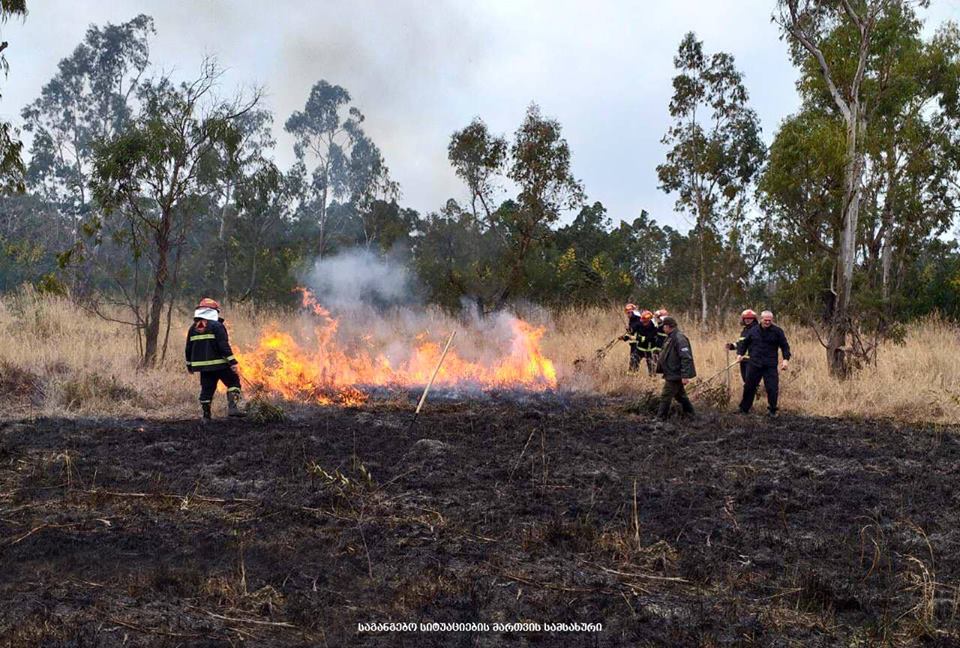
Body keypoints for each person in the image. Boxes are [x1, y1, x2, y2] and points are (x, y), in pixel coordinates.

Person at [185, 297, 246, 421]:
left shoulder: (193, 328)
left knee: (207, 390)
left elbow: (188, 348)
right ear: (213, 311)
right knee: (233, 382)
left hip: (204, 368)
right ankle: (233, 409)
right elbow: (223, 345)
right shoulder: (217, 326)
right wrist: (232, 362)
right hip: (221, 365)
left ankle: (206, 416)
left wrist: (189, 365)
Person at [737, 310, 791, 417]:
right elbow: (744, 343)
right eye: (765, 320)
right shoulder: (753, 331)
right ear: (761, 319)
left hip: (770, 365)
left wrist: (785, 360)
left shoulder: (778, 331)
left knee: (772, 388)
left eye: (769, 320)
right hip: (754, 363)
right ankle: (744, 409)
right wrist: (740, 354)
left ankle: (772, 410)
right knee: (749, 386)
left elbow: (785, 346)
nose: (767, 322)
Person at [654, 316, 697, 418]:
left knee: (666, 395)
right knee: (680, 396)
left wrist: (685, 375)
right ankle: (691, 414)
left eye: (664, 327)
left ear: (668, 326)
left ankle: (660, 418)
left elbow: (686, 358)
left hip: (676, 373)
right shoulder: (670, 337)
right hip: (671, 372)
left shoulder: (679, 338)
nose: (663, 329)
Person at [726, 309, 758, 383]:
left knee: (750, 381)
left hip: (752, 360)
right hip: (743, 360)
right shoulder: (745, 330)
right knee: (746, 380)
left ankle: (754, 394)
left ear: (754, 319)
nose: (747, 320)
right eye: (746, 318)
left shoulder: (756, 330)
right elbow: (741, 343)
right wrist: (732, 346)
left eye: (750, 318)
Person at [621, 304, 643, 372]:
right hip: (633, 342)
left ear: (632, 312)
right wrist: (624, 338)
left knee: (635, 359)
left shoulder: (638, 319)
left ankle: (633, 373)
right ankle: (631, 373)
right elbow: (631, 332)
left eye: (629, 313)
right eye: (627, 313)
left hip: (638, 342)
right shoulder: (632, 319)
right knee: (632, 358)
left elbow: (634, 329)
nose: (628, 315)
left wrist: (630, 329)